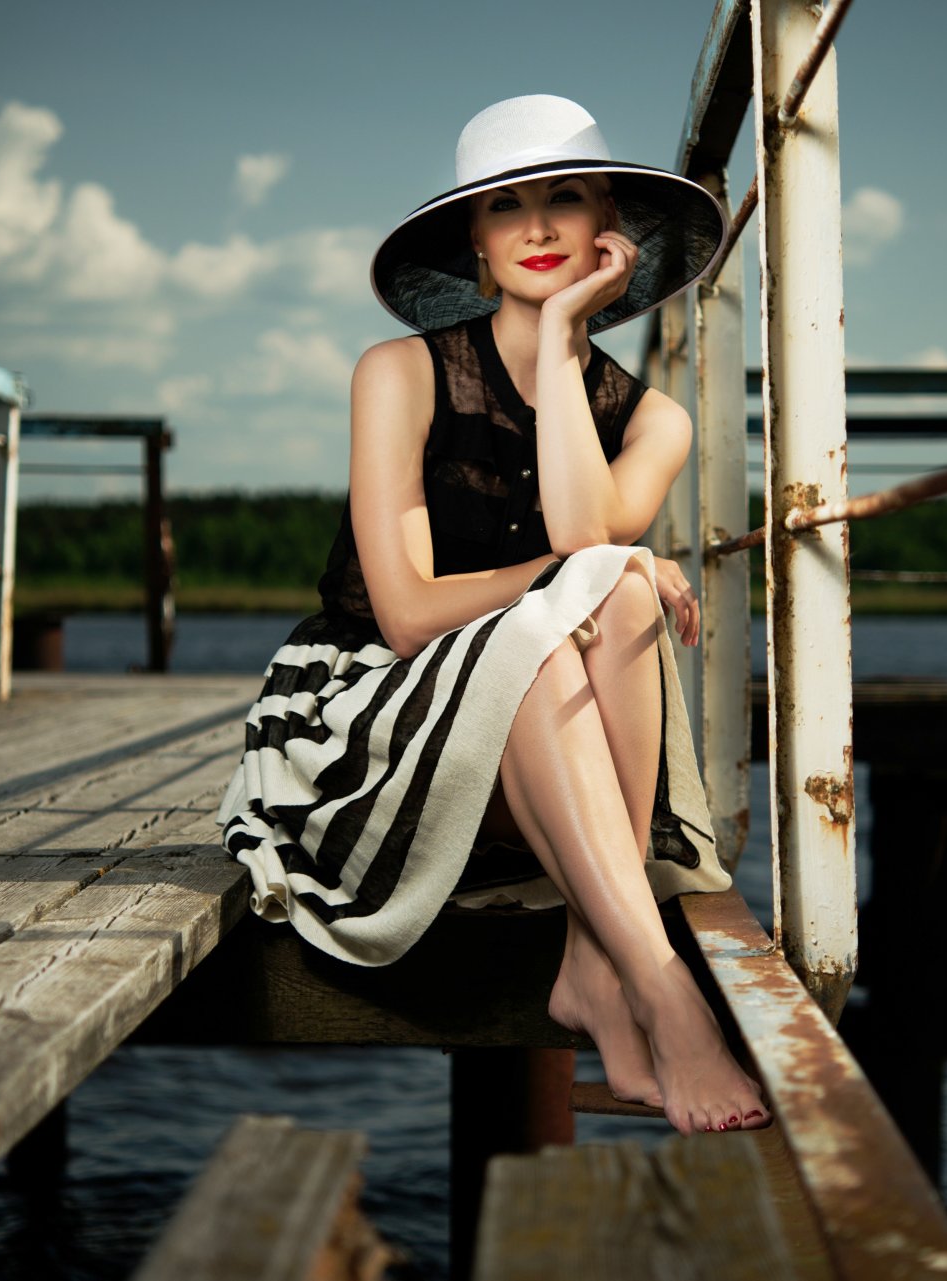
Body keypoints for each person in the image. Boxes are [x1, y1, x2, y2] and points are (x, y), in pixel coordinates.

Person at [216, 94, 767, 1135]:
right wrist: (589, 573)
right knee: (605, 586)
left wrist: (561, 344)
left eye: (566, 198)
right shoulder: (399, 374)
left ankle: (591, 966)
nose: (543, 228)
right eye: (508, 206)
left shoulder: (654, 418)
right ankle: (660, 987)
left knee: (618, 587)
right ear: (474, 237)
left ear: (614, 223)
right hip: (368, 719)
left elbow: (585, 529)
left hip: (537, 763)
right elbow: (412, 615)